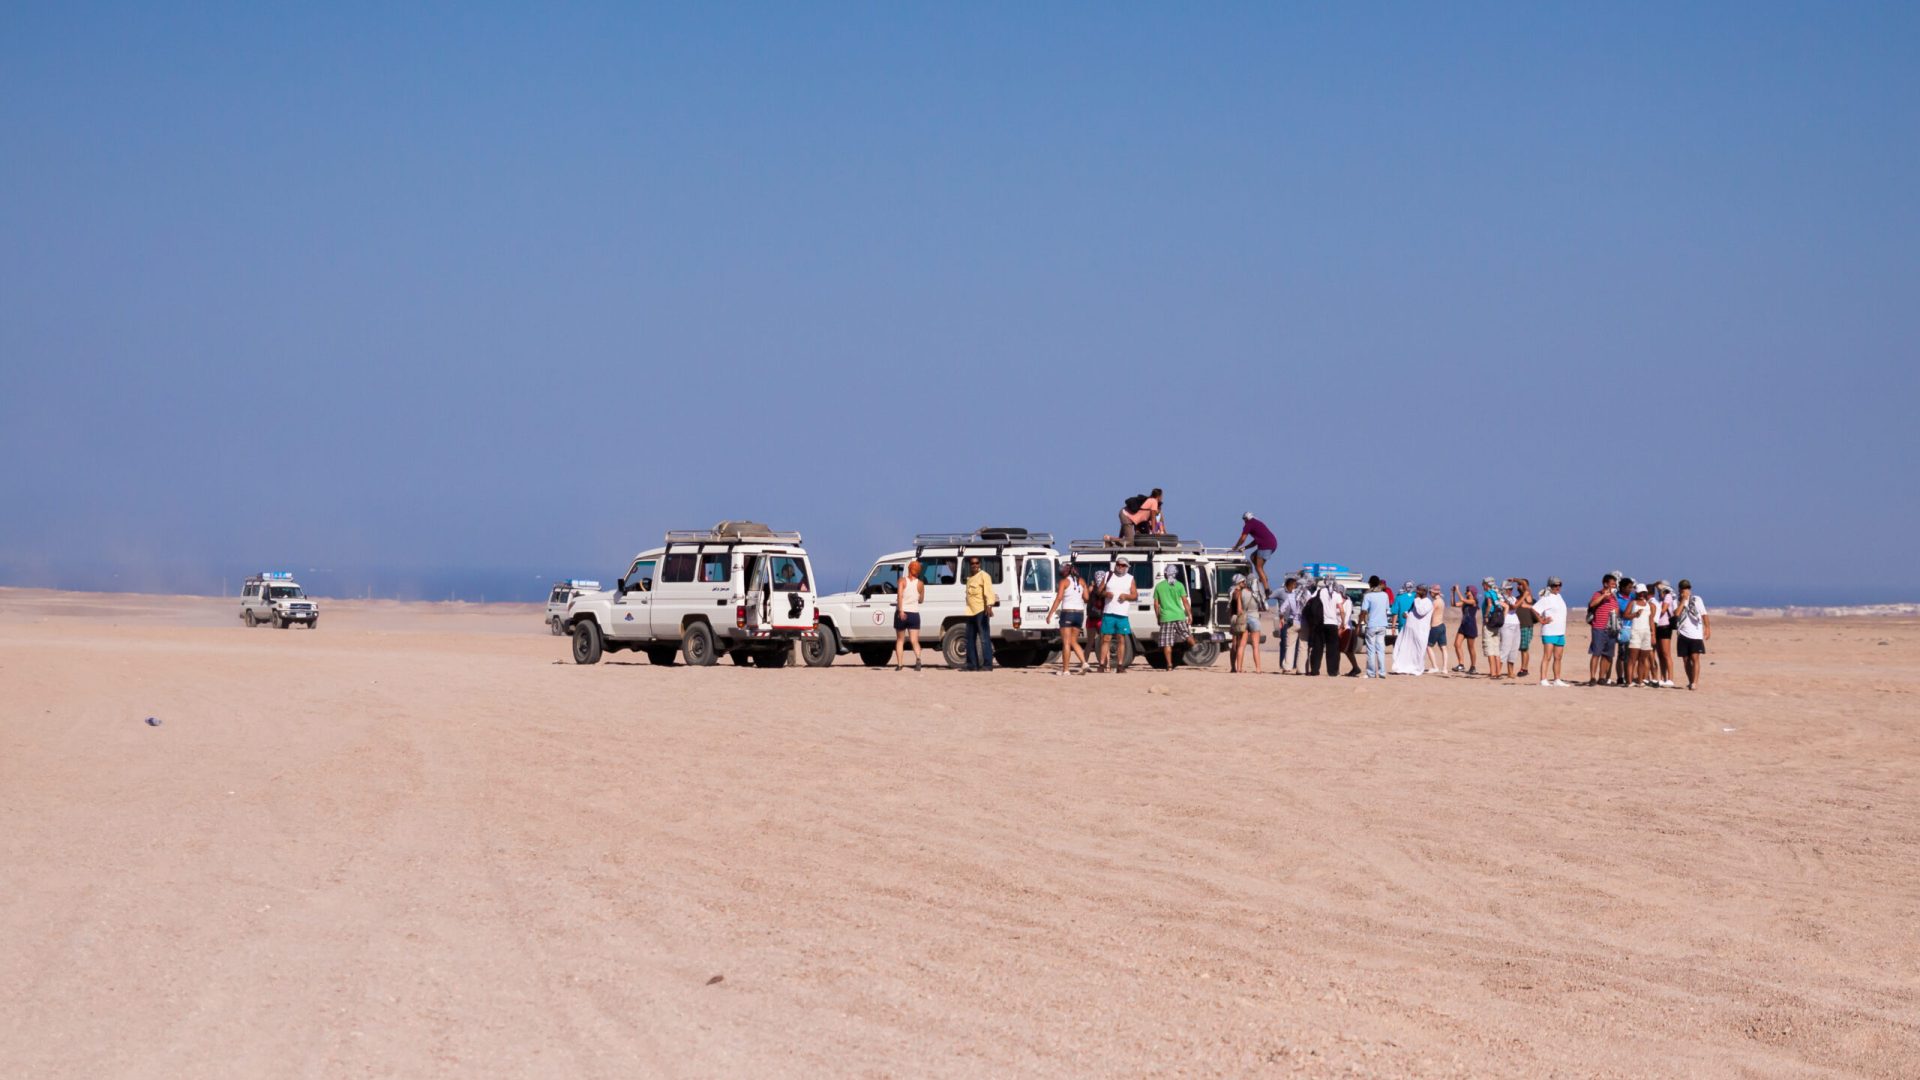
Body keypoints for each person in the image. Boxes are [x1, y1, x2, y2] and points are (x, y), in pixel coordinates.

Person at [1045, 561, 1089, 675]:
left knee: (1066, 643)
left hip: (1068, 613)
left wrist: (1050, 614)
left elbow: (1059, 598)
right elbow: (1086, 598)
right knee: (1074, 641)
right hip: (1079, 614)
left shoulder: (1064, 582)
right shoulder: (1082, 581)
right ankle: (1084, 662)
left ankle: (1066, 670)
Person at [1100, 558, 1139, 673]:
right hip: (1109, 612)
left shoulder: (1130, 578)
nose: (1120, 567)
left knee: (1121, 639)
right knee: (1106, 638)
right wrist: (1106, 593)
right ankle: (1102, 664)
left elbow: (1135, 595)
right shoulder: (1108, 575)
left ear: (1127, 567)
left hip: (1122, 613)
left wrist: (1126, 596)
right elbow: (1099, 591)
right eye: (1118, 564)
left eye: (1123, 565)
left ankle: (1120, 665)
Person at [1152, 564, 1193, 669]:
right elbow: (1185, 602)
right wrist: (1189, 615)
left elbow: (1156, 604)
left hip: (1166, 618)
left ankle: (1169, 665)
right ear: (1175, 574)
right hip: (1179, 615)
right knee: (1187, 635)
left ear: (1165, 573)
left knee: (1167, 643)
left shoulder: (1159, 586)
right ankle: (1194, 648)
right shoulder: (1179, 585)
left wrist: (1158, 617)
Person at [1674, 578, 1710, 690]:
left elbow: (1704, 614)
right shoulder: (1677, 601)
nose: (1686, 590)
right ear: (1680, 590)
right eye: (1683, 588)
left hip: (1695, 634)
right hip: (1683, 633)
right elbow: (1677, 613)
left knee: (1695, 658)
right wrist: (1683, 600)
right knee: (1685, 660)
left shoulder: (1697, 599)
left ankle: (1695, 682)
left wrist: (1707, 627)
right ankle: (1690, 680)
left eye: (1687, 588)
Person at [962, 555, 997, 672]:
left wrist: (989, 606)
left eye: (977, 563)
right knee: (970, 639)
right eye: (972, 563)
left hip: (981, 611)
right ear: (970, 565)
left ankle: (987, 664)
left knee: (984, 638)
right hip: (970, 611)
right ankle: (972, 664)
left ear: (980, 564)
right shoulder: (969, 578)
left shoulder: (984, 576)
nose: (975, 565)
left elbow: (989, 592)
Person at [1306, 576, 1346, 677]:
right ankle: (1332, 671)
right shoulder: (1337, 594)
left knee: (1317, 648)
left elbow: (1310, 601)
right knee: (1332, 649)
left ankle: (1315, 670)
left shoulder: (1319, 591)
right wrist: (1343, 623)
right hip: (1332, 624)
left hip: (1320, 623)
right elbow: (1341, 610)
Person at [1533, 577, 1569, 685]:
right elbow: (1534, 609)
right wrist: (1541, 620)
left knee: (1558, 657)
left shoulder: (1559, 596)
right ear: (1550, 586)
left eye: (1559, 585)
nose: (1557, 587)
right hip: (1549, 631)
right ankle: (1543, 679)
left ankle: (1557, 679)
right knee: (1547, 656)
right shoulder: (1546, 598)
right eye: (1555, 585)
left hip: (1560, 631)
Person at [891, 559, 925, 670]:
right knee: (914, 640)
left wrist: (901, 611)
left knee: (900, 640)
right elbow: (921, 600)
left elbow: (900, 596)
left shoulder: (902, 581)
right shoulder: (920, 584)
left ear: (909, 569)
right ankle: (918, 658)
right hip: (914, 614)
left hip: (902, 613)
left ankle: (900, 665)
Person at [1586, 572, 1620, 686]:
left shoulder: (1614, 597)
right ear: (1606, 584)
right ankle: (1592, 677)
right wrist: (1603, 596)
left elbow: (1617, 610)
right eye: (1612, 584)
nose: (1614, 586)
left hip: (1611, 629)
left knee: (1607, 655)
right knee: (1596, 653)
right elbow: (1592, 604)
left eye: (1615, 584)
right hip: (1599, 627)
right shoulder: (1598, 593)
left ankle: (1602, 677)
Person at [1392, 584, 1434, 675]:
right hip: (1409, 631)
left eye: (1418, 591)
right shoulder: (1415, 601)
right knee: (1405, 649)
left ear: (1424, 592)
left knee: (1418, 651)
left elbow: (1421, 612)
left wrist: (1417, 599)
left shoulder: (1428, 602)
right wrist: (1406, 614)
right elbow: (1412, 611)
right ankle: (1403, 668)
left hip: (1420, 631)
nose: (1416, 592)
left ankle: (1416, 669)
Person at [1232, 512, 1279, 593]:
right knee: (1253, 557)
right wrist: (1245, 548)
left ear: (1245, 519)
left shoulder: (1248, 524)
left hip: (1265, 546)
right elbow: (1256, 541)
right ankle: (1263, 577)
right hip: (1272, 544)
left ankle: (1267, 589)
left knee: (1258, 567)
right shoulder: (1257, 523)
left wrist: (1236, 546)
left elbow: (1243, 538)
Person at [1231, 574, 1262, 673]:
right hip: (1255, 618)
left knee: (1241, 645)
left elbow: (1239, 610)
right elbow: (1263, 606)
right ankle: (1258, 669)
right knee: (1255, 646)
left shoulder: (1241, 592)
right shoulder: (1257, 594)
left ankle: (1239, 668)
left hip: (1244, 619)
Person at [1361, 576, 1390, 678]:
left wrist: (1361, 621)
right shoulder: (1385, 595)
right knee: (1381, 650)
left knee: (1371, 650)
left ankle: (1371, 673)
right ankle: (1382, 672)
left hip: (1372, 625)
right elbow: (1387, 609)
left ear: (1370, 584)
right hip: (1382, 625)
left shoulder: (1368, 595)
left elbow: (1364, 611)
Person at [1628, 581, 1657, 685]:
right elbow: (1626, 615)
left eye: (1643, 592)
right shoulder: (1633, 603)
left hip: (1646, 633)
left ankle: (1640, 681)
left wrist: (1653, 634)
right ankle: (1630, 682)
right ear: (1636, 593)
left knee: (1642, 659)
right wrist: (1635, 614)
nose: (1641, 594)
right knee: (1632, 659)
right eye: (1639, 593)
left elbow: (1651, 620)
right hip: (1635, 631)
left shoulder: (1650, 605)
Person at [1613, 577, 1640, 686]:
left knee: (1632, 655)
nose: (1631, 589)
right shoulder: (1617, 598)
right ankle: (1620, 677)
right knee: (1622, 654)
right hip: (1623, 628)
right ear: (1622, 587)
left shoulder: (1632, 596)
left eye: (1632, 587)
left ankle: (1629, 676)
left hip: (1634, 628)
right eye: (1629, 587)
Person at [1276, 576, 1305, 673]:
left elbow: (1282, 609)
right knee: (1303, 647)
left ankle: (1287, 667)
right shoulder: (1308, 595)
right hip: (1304, 623)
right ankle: (1301, 669)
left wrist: (1281, 618)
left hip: (1293, 623)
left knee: (1290, 646)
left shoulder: (1291, 596)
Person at [1651, 581, 1677, 687]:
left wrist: (1652, 611)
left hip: (1665, 627)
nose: (1658, 591)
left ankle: (1670, 678)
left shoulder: (1668, 596)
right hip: (1658, 627)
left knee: (1666, 654)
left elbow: (1663, 610)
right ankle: (1662, 677)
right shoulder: (1660, 599)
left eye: (1659, 589)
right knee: (1660, 654)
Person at [1450, 584, 1481, 673]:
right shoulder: (1465, 602)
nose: (1466, 592)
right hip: (1463, 625)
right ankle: (1461, 664)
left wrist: (1457, 590)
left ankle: (1473, 666)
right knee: (1456, 644)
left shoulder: (1473, 601)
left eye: (1467, 591)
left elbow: (1462, 599)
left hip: (1471, 626)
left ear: (1471, 592)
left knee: (1470, 647)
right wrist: (1452, 593)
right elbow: (1453, 604)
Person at [1513, 577, 1537, 678]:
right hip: (1519, 625)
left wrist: (1515, 579)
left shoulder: (1528, 596)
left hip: (1526, 625)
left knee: (1524, 648)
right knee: (1521, 648)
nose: (1519, 586)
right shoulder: (1518, 597)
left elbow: (1524, 584)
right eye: (1518, 585)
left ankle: (1524, 669)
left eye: (1521, 585)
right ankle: (1523, 668)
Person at [1426, 585, 1451, 674]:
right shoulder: (1442, 601)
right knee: (1443, 647)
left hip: (1435, 626)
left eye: (1430, 592)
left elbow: (1429, 614)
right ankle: (1444, 668)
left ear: (1433, 592)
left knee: (1428, 646)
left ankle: (1434, 666)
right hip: (1442, 625)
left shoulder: (1435, 602)